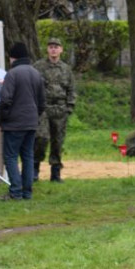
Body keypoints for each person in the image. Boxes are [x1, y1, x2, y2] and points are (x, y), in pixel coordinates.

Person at [0, 42, 45, 201]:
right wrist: (34, 116)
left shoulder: (12, 74)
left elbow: (5, 99)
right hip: (31, 122)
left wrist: (2, 118)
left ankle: (15, 192)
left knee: (10, 157)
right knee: (28, 156)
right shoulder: (36, 73)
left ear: (12, 57)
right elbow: (42, 102)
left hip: (14, 123)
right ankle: (27, 192)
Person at [33, 37, 75, 183]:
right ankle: (34, 169)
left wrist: (69, 107)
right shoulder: (38, 66)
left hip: (60, 109)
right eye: (51, 47)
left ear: (61, 50)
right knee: (41, 138)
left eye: (56, 47)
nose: (53, 49)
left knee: (57, 141)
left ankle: (55, 173)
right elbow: (33, 87)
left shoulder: (66, 69)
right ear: (47, 49)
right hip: (43, 108)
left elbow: (71, 89)